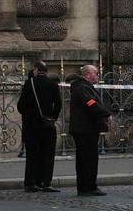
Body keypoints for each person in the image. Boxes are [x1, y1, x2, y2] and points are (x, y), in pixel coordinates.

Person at [17, 59, 61, 193]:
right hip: (47, 124)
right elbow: (58, 104)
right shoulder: (53, 84)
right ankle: (46, 182)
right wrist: (52, 117)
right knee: (48, 154)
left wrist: (29, 114)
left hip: (31, 125)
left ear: (36, 70)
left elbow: (20, 106)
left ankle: (31, 183)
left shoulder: (29, 83)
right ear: (46, 72)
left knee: (32, 155)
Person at [68, 64, 112, 196]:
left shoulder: (84, 87)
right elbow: (91, 103)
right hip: (85, 129)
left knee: (85, 159)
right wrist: (105, 113)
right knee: (88, 159)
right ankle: (88, 186)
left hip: (85, 128)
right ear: (87, 74)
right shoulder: (82, 88)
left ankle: (85, 186)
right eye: (95, 73)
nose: (97, 75)